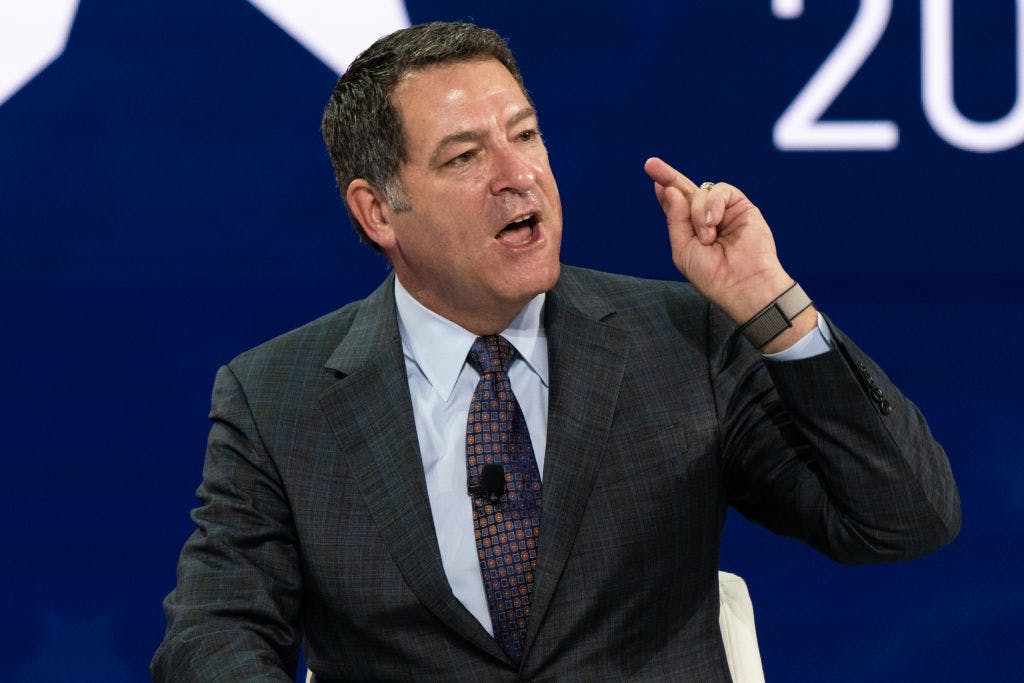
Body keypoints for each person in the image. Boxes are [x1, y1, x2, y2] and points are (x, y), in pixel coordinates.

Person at [151, 21, 960, 681]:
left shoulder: (682, 342)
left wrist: (771, 307)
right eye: (465, 157)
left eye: (525, 134)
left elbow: (904, 519)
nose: (519, 175)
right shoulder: (278, 396)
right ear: (377, 212)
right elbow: (211, 634)